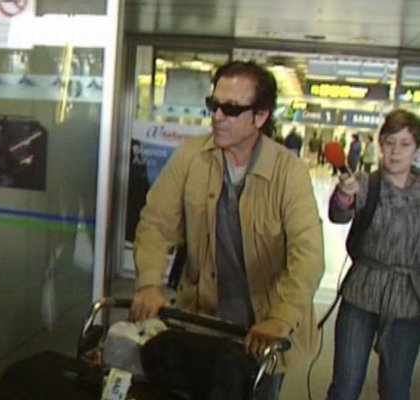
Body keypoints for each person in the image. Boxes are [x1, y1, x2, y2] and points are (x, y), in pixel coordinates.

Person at [130, 60, 324, 400]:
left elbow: (307, 256)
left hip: (261, 330)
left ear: (260, 117)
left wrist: (281, 319)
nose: (218, 116)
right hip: (202, 321)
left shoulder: (288, 173)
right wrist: (149, 281)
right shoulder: (191, 156)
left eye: (231, 109)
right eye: (213, 105)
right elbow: (157, 222)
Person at [326, 109, 420, 400]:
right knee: (345, 385)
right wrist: (344, 196)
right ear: (380, 144)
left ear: (416, 148)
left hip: (408, 300)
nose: (396, 151)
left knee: (396, 389)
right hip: (361, 294)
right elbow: (338, 215)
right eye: (389, 142)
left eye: (404, 144)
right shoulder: (366, 183)